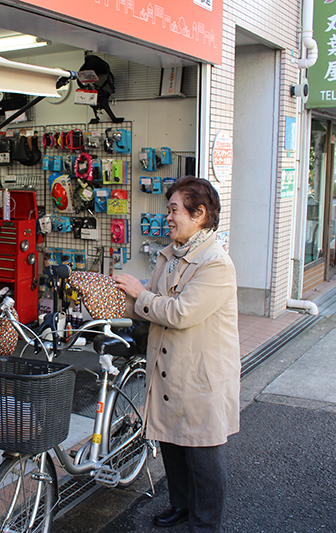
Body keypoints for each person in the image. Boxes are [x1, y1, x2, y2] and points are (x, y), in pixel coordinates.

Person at [114, 176, 240, 533]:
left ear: (199, 214)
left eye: (173, 210)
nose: (167, 217)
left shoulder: (216, 263)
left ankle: (206, 524)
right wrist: (111, 296)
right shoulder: (170, 254)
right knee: (172, 443)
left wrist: (139, 294)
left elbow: (180, 312)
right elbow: (148, 303)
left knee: (202, 453)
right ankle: (181, 505)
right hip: (168, 368)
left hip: (201, 374)